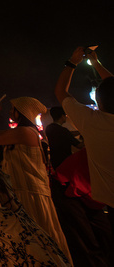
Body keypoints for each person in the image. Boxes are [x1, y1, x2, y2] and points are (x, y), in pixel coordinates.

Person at [0, 95, 72, 262]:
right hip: (28, 191)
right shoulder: (24, 131)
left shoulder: (24, 132)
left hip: (30, 193)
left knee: (36, 241)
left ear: (22, 112)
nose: (11, 112)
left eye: (13, 109)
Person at [55, 47, 114, 259]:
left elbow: (61, 92)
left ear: (99, 101)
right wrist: (97, 64)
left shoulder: (93, 122)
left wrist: (71, 62)